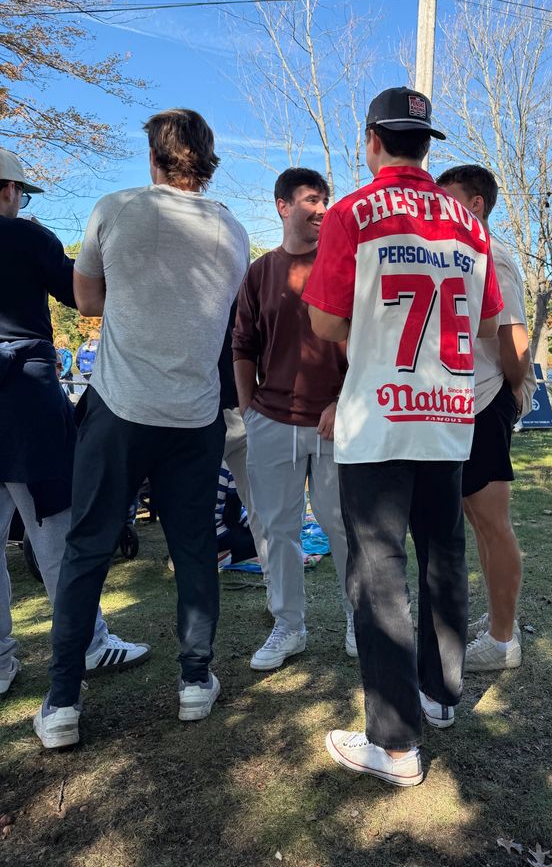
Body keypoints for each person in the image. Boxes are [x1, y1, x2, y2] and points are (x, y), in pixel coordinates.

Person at [303, 87, 502, 787]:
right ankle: (441, 696)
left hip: (379, 418)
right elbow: (482, 323)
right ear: (427, 145)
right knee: (444, 556)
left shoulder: (354, 212)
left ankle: (394, 746)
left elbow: (325, 323)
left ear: (372, 140)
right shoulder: (471, 224)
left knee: (379, 572)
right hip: (447, 415)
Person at [35, 109, 249, 748]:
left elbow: (88, 301)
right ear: (207, 161)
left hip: (121, 408)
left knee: (86, 550)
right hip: (195, 415)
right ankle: (193, 681)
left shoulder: (116, 208)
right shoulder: (234, 230)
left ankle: (63, 700)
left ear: (155, 157)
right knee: (192, 551)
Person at [0, 147, 148, 702]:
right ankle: (87, 641)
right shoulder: (28, 237)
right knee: (56, 529)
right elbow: (84, 295)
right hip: (27, 397)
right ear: (10, 190)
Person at [233, 167, 354, 670]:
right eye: (311, 199)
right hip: (271, 421)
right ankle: (289, 625)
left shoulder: (346, 268)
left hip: (337, 422)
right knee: (275, 529)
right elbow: (243, 344)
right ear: (283, 206)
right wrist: (249, 409)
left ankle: (358, 619)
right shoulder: (260, 273)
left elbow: (367, 347)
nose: (322, 208)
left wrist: (342, 401)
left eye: (326, 199)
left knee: (344, 526)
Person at [435, 164, 537, 674]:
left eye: (446, 197)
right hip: (462, 403)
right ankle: (500, 620)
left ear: (475, 204)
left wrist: (512, 393)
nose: (435, 204)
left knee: (494, 524)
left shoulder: (492, 255)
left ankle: (502, 641)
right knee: (478, 519)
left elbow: (514, 341)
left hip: (486, 400)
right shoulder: (461, 254)